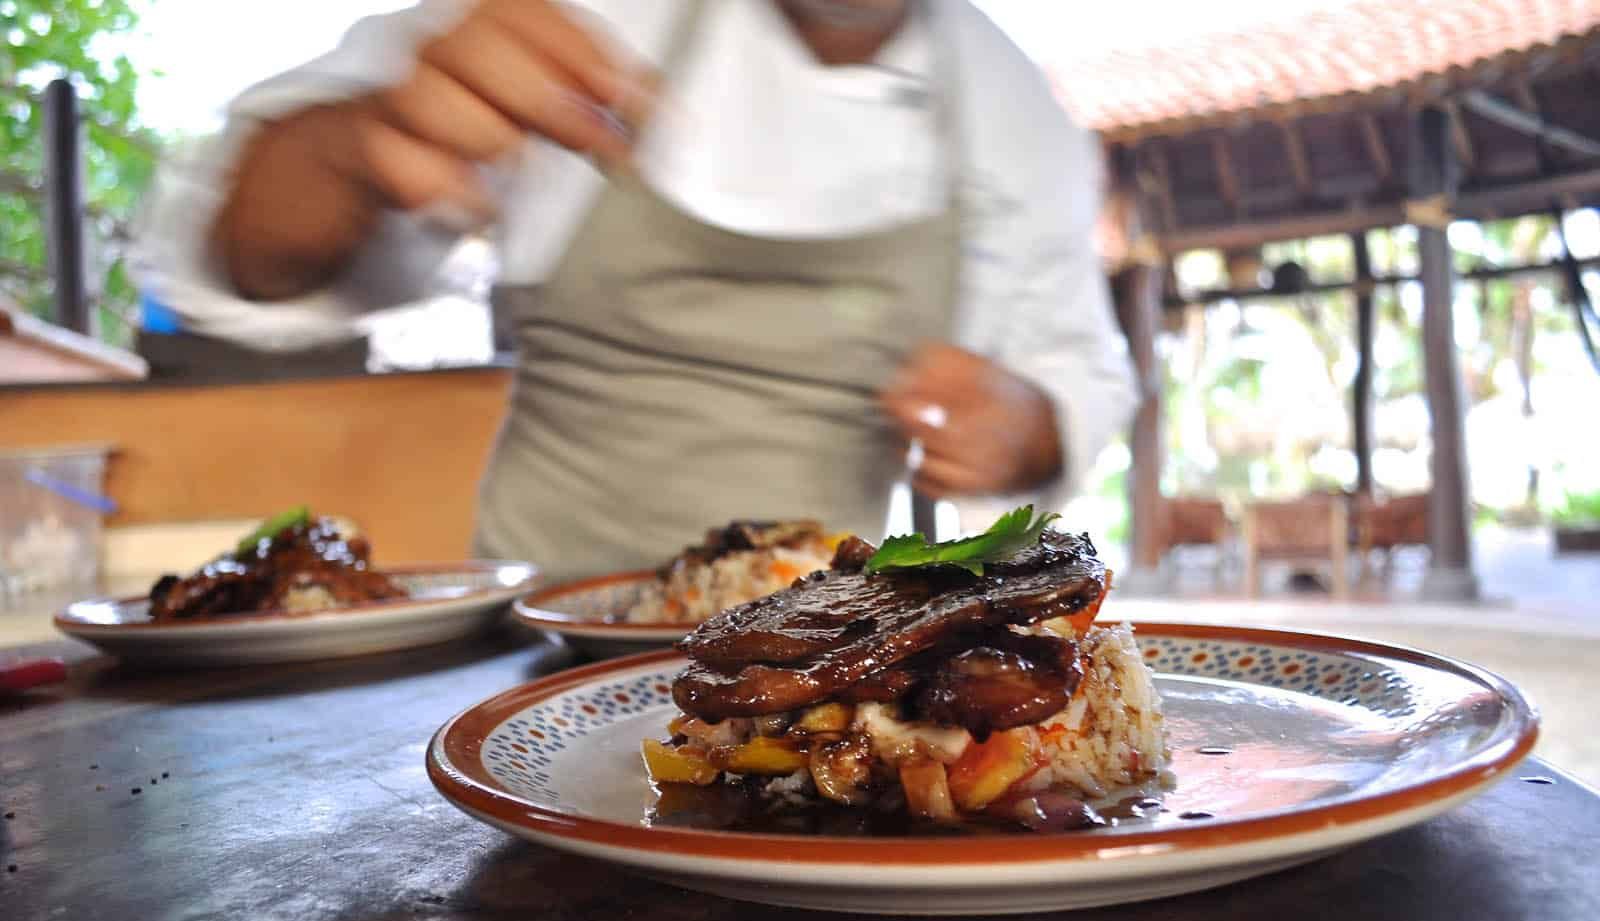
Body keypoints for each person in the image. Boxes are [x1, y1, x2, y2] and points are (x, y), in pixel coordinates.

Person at [136, 0, 1137, 580]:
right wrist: (342, 153)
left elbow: (1078, 370)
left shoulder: (1016, 118)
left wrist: (1022, 423)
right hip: (526, 634)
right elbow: (247, 265)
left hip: (820, 655)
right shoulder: (584, 16)